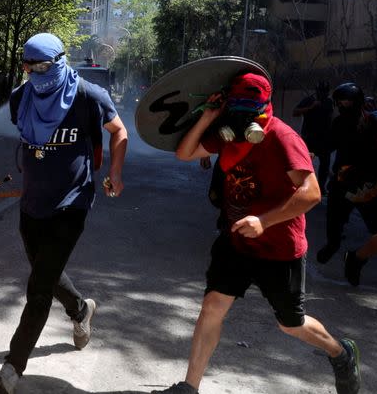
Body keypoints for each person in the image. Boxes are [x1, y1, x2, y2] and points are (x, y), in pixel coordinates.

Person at [153, 72, 360, 394]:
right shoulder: (226, 133)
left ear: (265, 105)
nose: (243, 115)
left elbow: (312, 193)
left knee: (291, 323)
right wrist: (208, 116)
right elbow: (185, 153)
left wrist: (264, 221)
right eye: (238, 106)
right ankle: (189, 387)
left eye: (250, 108)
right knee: (212, 307)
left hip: (278, 247)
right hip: (235, 241)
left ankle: (340, 353)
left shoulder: (282, 137)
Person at [0, 33, 128, 394]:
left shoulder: (87, 95)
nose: (32, 73)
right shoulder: (21, 97)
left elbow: (119, 131)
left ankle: (12, 367)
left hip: (72, 203)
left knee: (38, 289)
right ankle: (81, 310)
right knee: (44, 272)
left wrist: (115, 173)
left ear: (58, 62)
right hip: (33, 203)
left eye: (40, 67)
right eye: (27, 66)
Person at [316, 82, 377, 286]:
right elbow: (328, 145)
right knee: (334, 222)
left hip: (368, 187)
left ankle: (356, 259)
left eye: (348, 102)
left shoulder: (374, 122)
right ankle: (333, 245)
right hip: (343, 183)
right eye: (341, 103)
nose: (344, 106)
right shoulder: (338, 124)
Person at [293, 81, 333, 190]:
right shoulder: (309, 100)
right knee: (305, 163)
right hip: (309, 138)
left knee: (325, 165)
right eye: (321, 92)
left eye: (325, 92)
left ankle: (321, 187)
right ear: (317, 91)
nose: (323, 94)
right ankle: (303, 186)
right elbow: (295, 112)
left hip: (324, 139)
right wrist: (311, 107)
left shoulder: (329, 102)